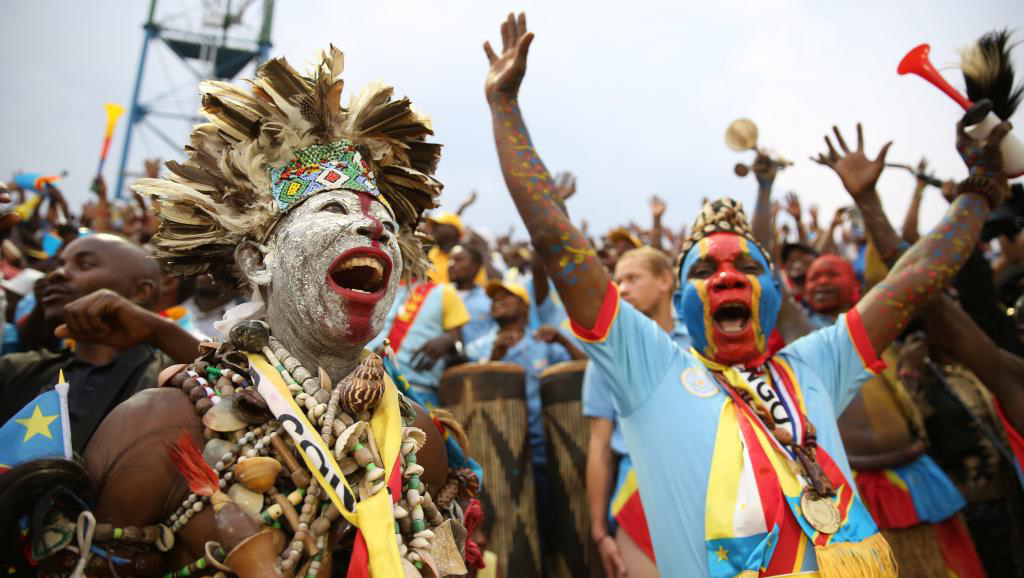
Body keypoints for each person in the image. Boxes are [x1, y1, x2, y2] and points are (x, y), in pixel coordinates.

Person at [483, 12, 1010, 576]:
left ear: (776, 293)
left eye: (748, 267)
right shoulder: (651, 369)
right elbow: (555, 238)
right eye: (705, 270)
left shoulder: (818, 363)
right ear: (679, 300)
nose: (727, 278)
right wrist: (505, 107)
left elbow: (917, 277)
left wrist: (980, 185)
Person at [0, 47, 474, 577]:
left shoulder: (418, 439)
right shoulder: (162, 426)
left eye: (387, 223)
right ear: (258, 261)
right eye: (332, 208)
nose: (374, 229)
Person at [0, 234, 200, 452]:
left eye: (84, 264)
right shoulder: (18, 369)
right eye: (58, 264)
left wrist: (157, 331)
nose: (57, 274)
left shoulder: (170, 377)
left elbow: (226, 385)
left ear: (141, 292)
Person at [584, 246, 685, 578]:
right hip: (637, 494)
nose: (623, 289)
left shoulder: (700, 342)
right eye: (618, 281)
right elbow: (600, 446)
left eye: (633, 278)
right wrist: (599, 531)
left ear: (665, 280)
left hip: (703, 485)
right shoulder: (606, 355)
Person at [368, 275, 470, 408]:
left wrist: (449, 341)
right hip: (366, 383)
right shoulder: (374, 288)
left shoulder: (443, 292)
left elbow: (460, 349)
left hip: (417, 391)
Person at [449, 243, 495, 345]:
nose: (451, 264)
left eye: (458, 260)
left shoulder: (488, 299)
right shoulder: (437, 296)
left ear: (476, 267)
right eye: (450, 259)